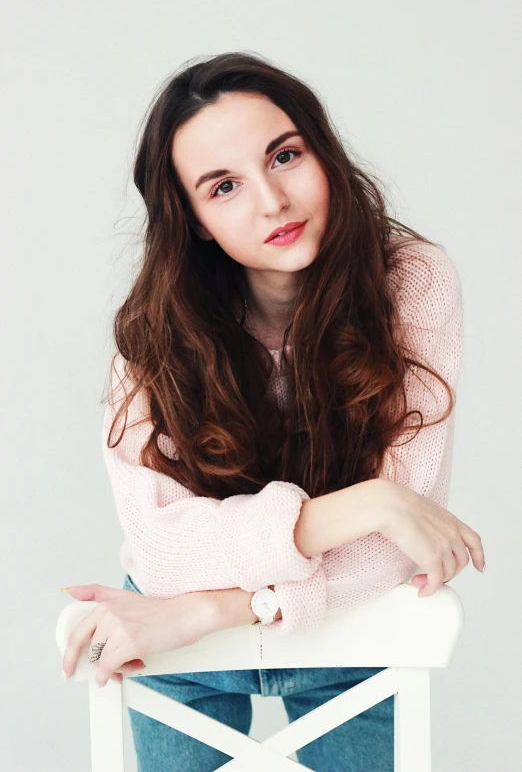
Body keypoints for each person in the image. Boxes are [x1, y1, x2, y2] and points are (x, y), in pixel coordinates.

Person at [62, 51, 485, 772]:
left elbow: (397, 548)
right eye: (223, 186)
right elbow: (164, 550)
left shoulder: (411, 282)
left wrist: (212, 609)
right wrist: (373, 502)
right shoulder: (153, 334)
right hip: (180, 648)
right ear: (191, 219)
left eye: (284, 155)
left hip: (325, 622)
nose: (272, 200)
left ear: (321, 148)